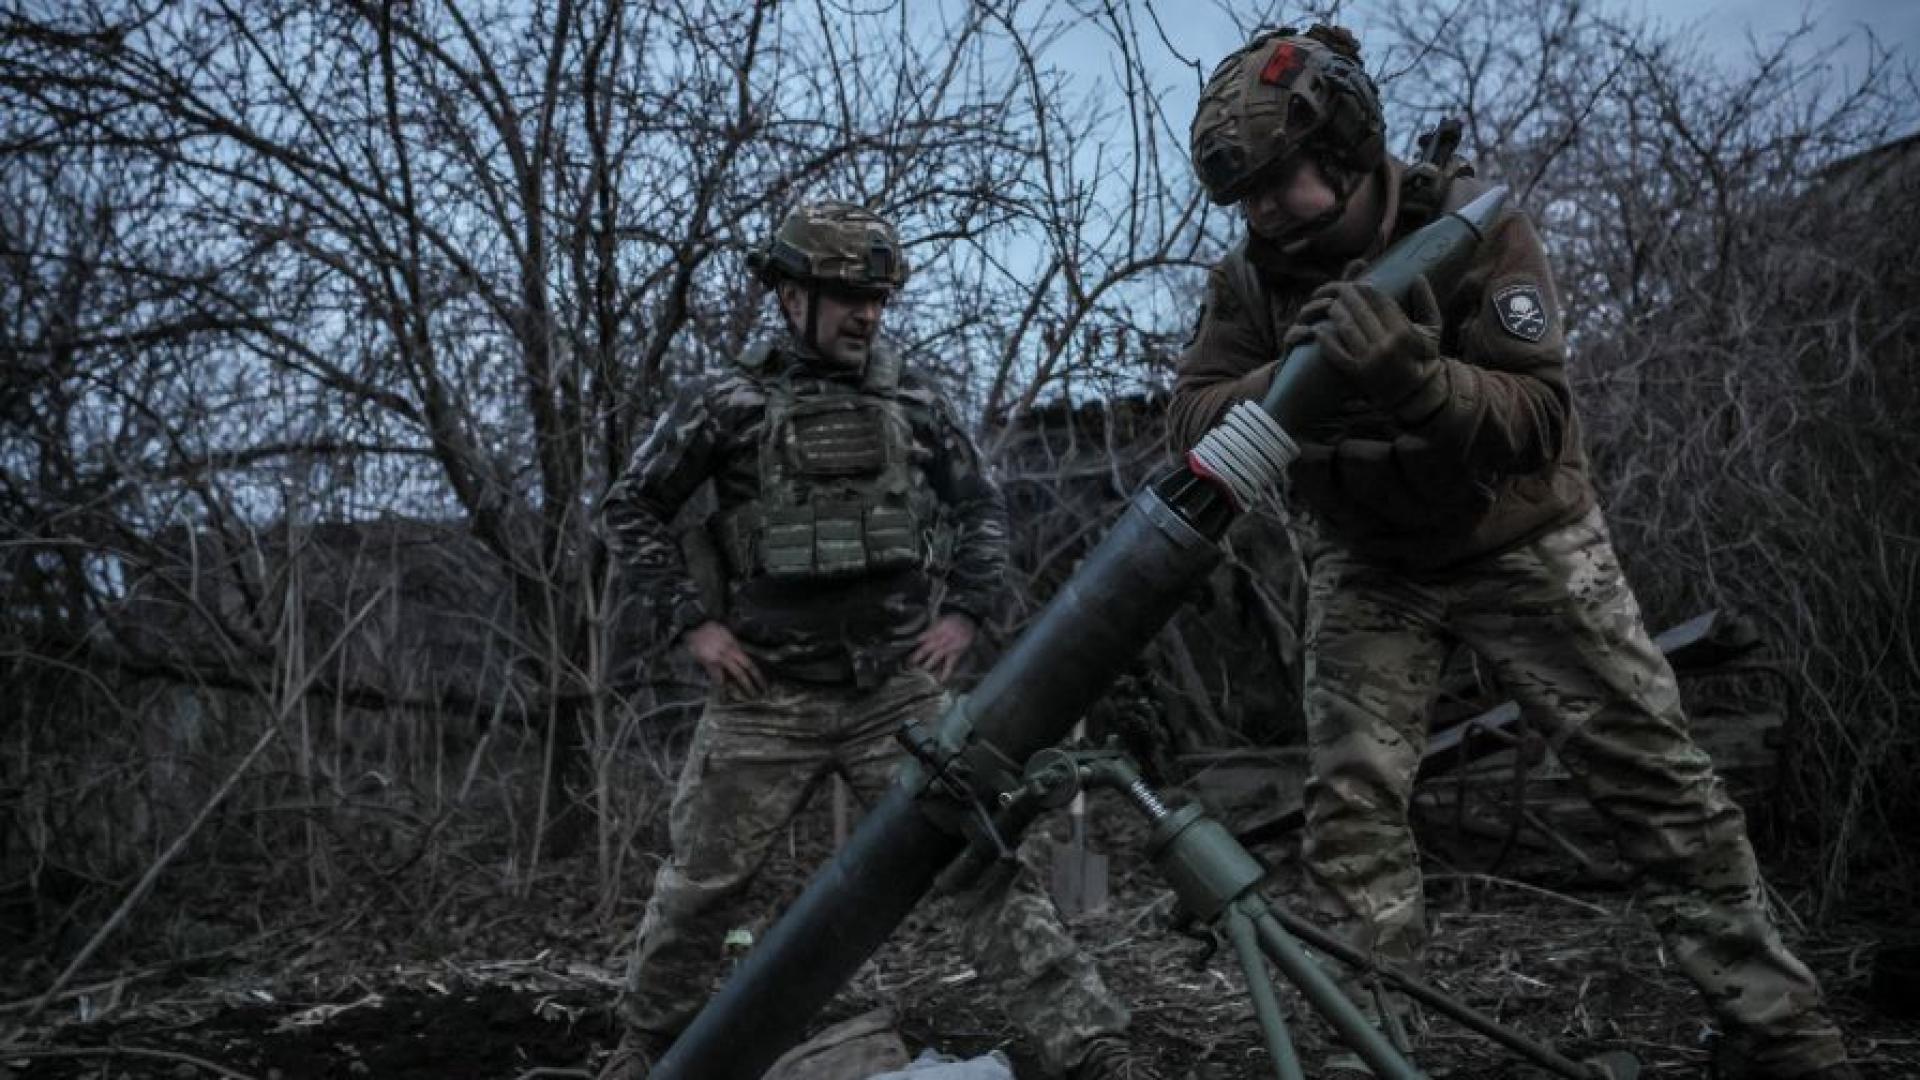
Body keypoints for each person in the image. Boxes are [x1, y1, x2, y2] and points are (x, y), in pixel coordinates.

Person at [1170, 25, 1855, 1080]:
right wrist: (1294, 378)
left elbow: (1539, 416)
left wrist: (1415, 378)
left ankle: (1782, 1036)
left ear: (1347, 155)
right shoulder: (1253, 281)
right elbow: (1192, 419)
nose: (1259, 212)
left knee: (1658, 783)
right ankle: (1368, 1051)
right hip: (1371, 562)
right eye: (1245, 196)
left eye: (1277, 184)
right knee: (1351, 812)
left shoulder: (1471, 229)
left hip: (1523, 541)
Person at [598, 201, 1134, 1080]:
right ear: (789, 295)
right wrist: (693, 625)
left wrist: (966, 609)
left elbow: (980, 505)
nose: (867, 314)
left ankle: (1094, 1046)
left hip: (896, 694)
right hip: (764, 696)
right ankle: (648, 1049)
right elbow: (631, 507)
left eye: (877, 297)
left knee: (979, 863)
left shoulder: (912, 397)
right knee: (702, 888)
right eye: (848, 295)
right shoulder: (727, 402)